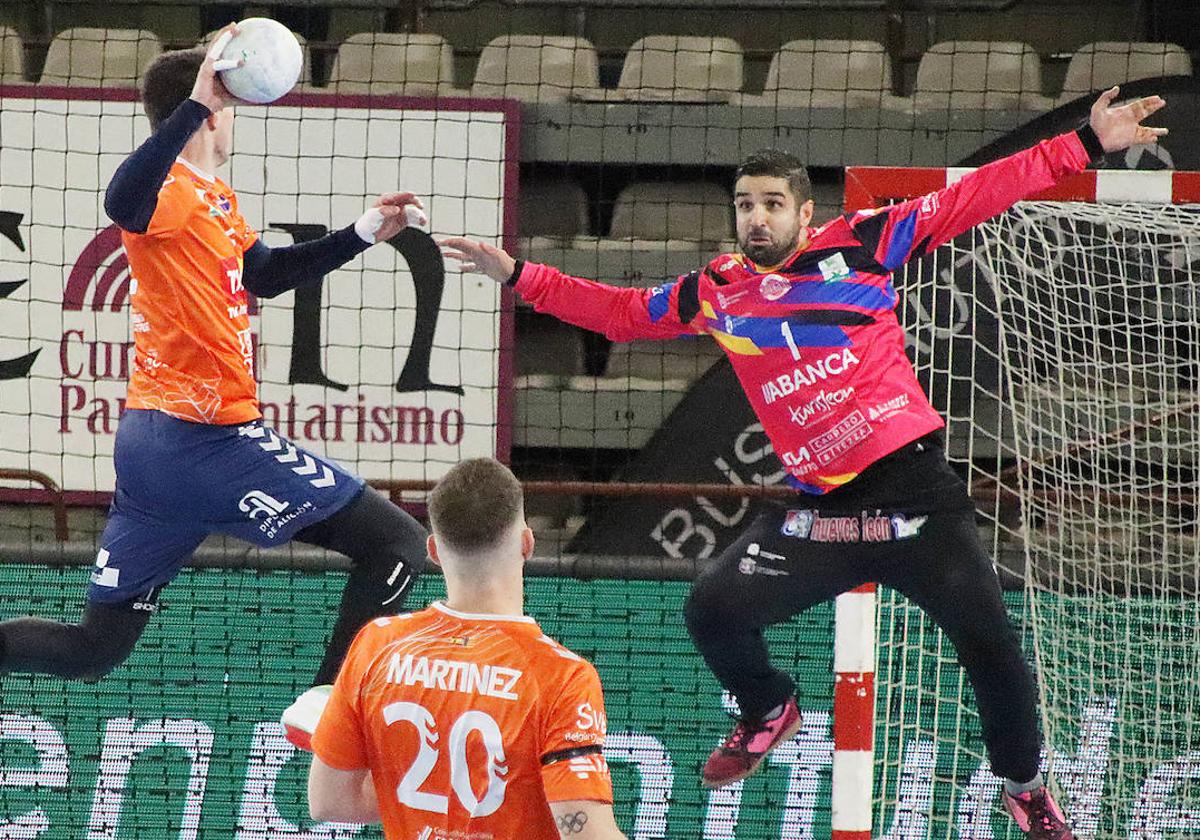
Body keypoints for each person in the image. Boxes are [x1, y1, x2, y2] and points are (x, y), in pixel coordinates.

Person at [438, 88, 1168, 840]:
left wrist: (1084, 143)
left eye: (772, 204)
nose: (757, 218)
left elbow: (978, 194)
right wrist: (519, 276)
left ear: (803, 215)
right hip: (821, 511)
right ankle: (769, 708)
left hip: (913, 494)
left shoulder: (864, 243)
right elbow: (619, 311)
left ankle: (1025, 787)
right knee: (711, 611)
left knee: (993, 648)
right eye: (745, 204)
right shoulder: (715, 290)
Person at [0, 27, 429, 745]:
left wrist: (363, 232)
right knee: (399, 543)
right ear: (210, 112)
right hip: (203, 438)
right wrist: (198, 100)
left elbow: (264, 274)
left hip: (153, 448)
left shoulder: (215, 198)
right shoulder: (163, 192)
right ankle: (327, 702)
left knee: (94, 651)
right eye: (225, 108)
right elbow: (120, 200)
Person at [306, 457, 627, 839]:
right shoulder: (561, 676)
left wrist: (432, 792)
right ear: (527, 543)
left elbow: (328, 801)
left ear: (434, 550)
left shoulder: (377, 644)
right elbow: (584, 833)